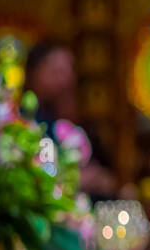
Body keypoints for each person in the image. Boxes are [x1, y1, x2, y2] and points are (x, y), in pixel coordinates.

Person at [22, 41, 118, 200]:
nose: (67, 81)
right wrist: (77, 179)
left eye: (69, 71)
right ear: (34, 74)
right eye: (57, 72)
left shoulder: (74, 125)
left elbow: (106, 175)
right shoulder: (22, 122)